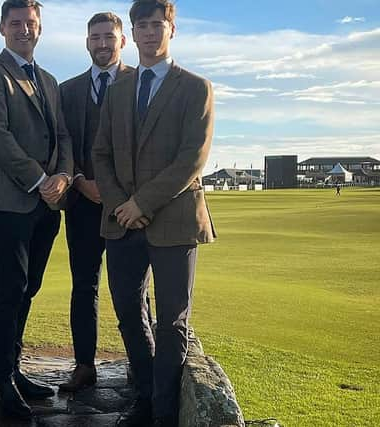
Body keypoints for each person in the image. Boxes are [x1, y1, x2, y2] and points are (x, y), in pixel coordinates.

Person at [91, 0, 216, 425]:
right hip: (122, 222)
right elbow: (101, 153)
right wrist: (122, 205)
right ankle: (145, 396)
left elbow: (191, 160)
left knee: (171, 322)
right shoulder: (118, 88)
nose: (148, 32)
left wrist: (142, 203)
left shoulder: (196, 88)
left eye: (156, 24)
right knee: (128, 311)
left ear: (171, 30)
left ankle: (164, 412)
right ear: (133, 31)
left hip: (175, 221)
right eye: (141, 25)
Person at [0, 0, 73, 419]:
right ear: (2, 28)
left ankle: (14, 369)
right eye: (16, 23)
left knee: (29, 287)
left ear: (40, 28)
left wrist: (63, 178)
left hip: (49, 204)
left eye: (31, 23)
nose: (24, 30)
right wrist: (39, 180)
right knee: (10, 288)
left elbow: (64, 136)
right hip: (12, 201)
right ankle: (1, 382)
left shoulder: (48, 79)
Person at [58, 12, 135, 392]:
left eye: (109, 37)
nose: (102, 44)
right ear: (86, 41)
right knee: (83, 286)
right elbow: (61, 141)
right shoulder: (68, 90)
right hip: (81, 202)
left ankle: (140, 364)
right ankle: (84, 365)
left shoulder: (139, 83)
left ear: (123, 41)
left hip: (128, 207)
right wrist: (79, 181)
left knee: (133, 289)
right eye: (95, 37)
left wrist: (118, 191)